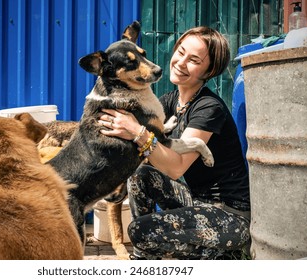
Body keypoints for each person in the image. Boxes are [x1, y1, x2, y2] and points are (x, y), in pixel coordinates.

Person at [98, 26, 250, 260]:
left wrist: (137, 132)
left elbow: (175, 166)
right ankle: (146, 259)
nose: (181, 62)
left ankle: (227, 255)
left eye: (194, 60)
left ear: (209, 70)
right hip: (194, 201)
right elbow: (144, 146)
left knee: (141, 231)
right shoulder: (170, 101)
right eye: (180, 52)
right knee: (141, 174)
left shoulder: (209, 108)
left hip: (228, 215)